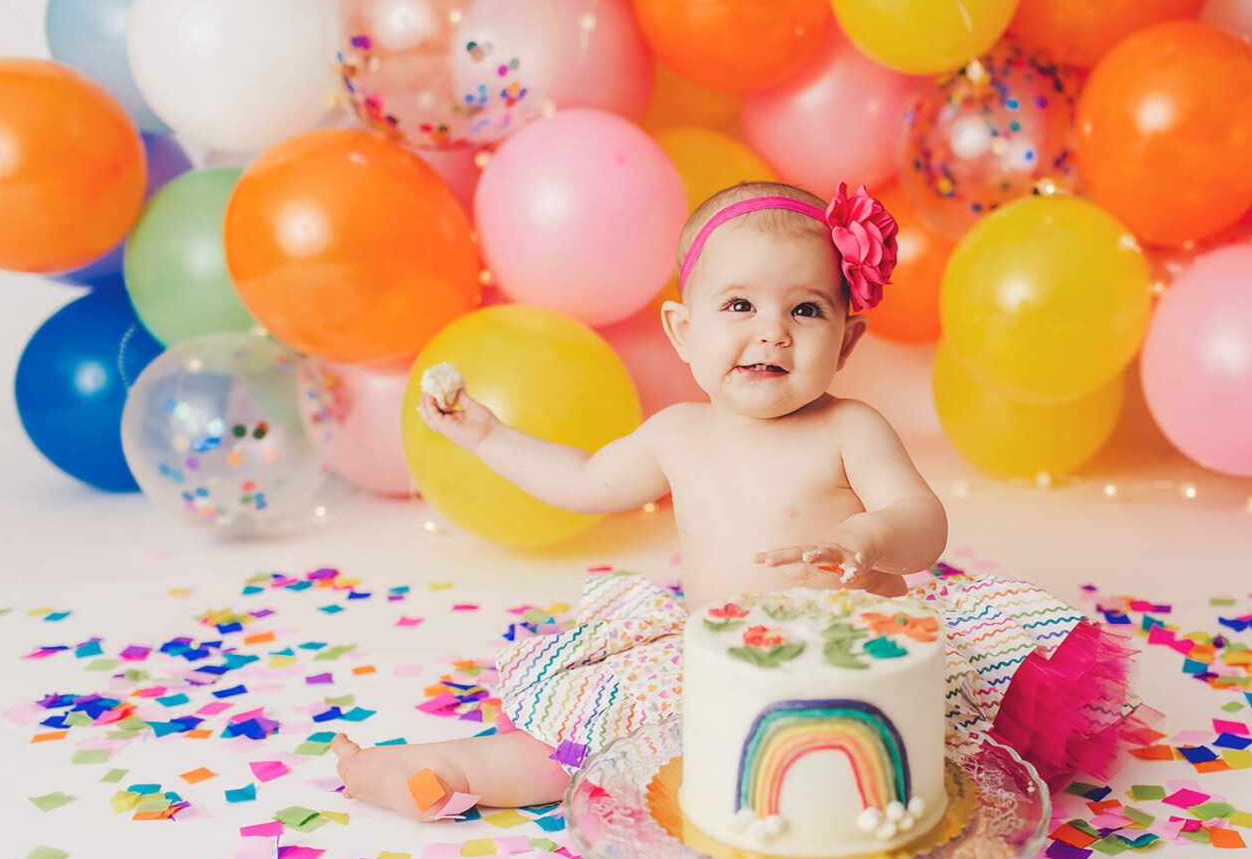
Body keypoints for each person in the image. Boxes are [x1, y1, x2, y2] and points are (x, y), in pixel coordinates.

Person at [334, 181, 1148, 825]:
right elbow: (580, 481)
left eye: (805, 309)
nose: (772, 333)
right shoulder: (678, 434)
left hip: (858, 664)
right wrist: (485, 435)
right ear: (683, 333)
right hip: (725, 660)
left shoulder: (850, 428)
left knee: (920, 757)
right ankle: (441, 769)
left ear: (848, 340)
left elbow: (924, 524)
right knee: (586, 742)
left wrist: (868, 538)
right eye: (739, 306)